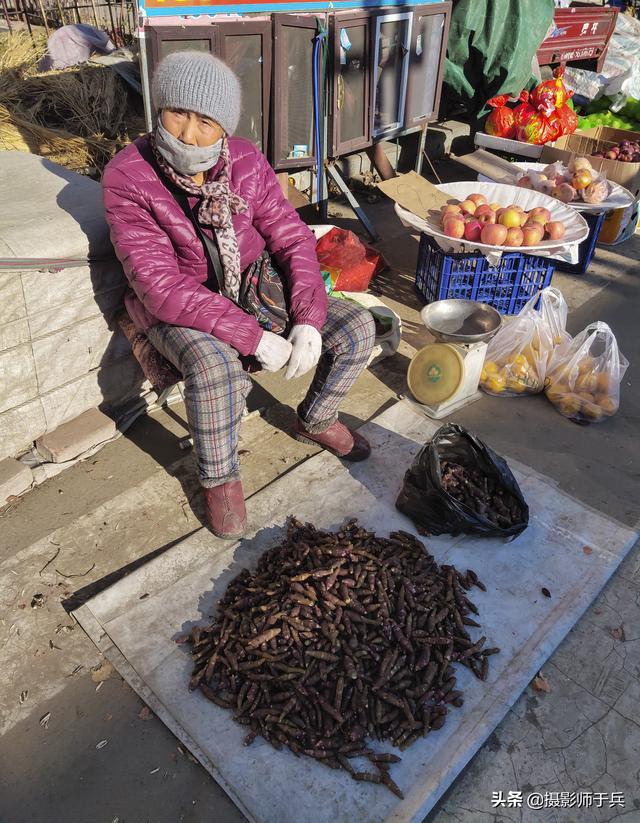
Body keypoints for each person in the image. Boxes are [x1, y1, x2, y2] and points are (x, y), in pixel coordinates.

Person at [102, 51, 375, 540]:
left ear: (224, 128)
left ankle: (316, 418)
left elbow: (291, 238)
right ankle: (220, 477)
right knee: (215, 369)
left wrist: (309, 317)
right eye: (177, 113)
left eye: (205, 121)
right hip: (178, 305)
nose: (187, 133)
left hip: (250, 286)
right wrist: (252, 337)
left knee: (355, 327)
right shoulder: (129, 176)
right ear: (158, 109)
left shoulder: (246, 160)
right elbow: (159, 286)